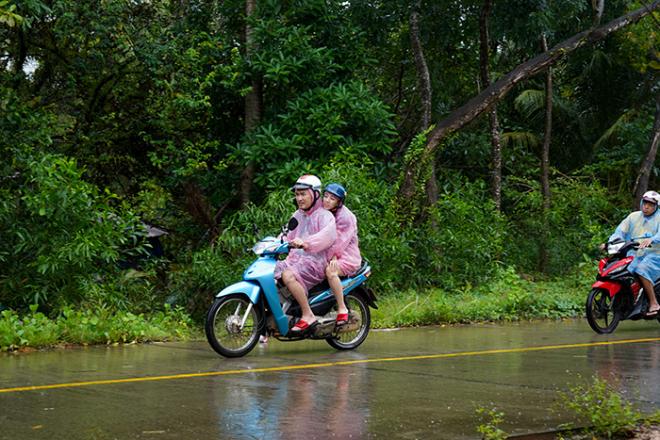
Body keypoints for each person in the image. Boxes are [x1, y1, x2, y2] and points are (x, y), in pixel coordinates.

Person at [275, 175, 337, 333]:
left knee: (288, 276)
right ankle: (273, 319)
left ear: (315, 194)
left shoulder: (325, 216)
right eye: (297, 194)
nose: (299, 198)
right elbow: (286, 234)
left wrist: (306, 243)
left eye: (303, 194)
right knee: (270, 272)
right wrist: (274, 244)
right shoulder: (298, 215)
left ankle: (308, 314)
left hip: (315, 262)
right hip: (296, 259)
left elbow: (326, 237)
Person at [607, 190, 660, 317]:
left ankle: (654, 303)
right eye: (645, 203)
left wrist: (652, 239)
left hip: (655, 254)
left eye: (650, 204)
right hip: (635, 253)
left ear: (656, 206)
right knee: (621, 269)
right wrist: (610, 242)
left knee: (641, 269)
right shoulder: (633, 216)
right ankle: (629, 299)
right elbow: (619, 232)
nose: (646, 206)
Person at [322, 183, 362, 326]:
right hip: (328, 253)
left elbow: (340, 241)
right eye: (325, 196)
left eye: (332, 198)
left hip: (346, 256)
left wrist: (333, 256)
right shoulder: (323, 211)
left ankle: (342, 308)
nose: (327, 200)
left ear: (339, 202)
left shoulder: (345, 217)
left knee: (330, 271)